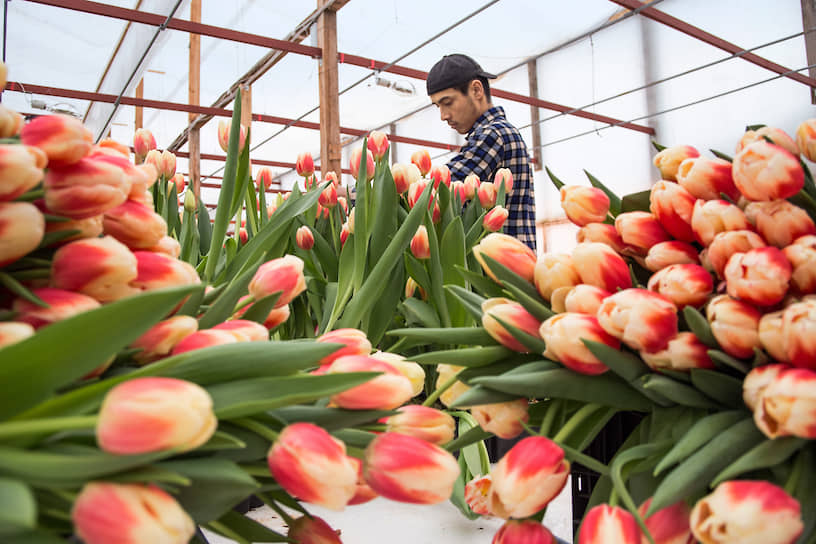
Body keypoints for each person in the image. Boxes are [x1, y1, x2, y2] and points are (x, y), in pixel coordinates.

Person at [426, 54, 536, 251]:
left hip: (499, 272)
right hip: (510, 267)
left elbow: (439, 188)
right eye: (438, 106)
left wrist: (366, 197)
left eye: (448, 102)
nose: (443, 116)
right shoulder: (499, 131)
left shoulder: (493, 134)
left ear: (476, 90)